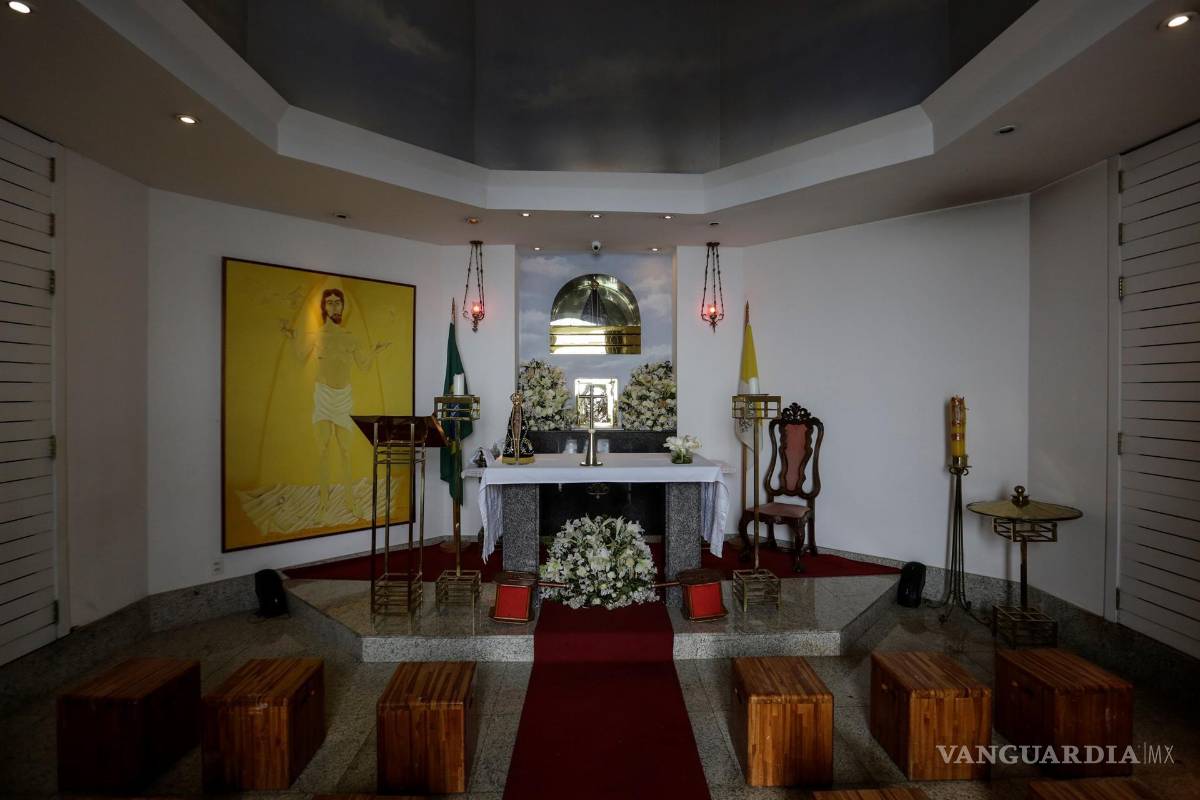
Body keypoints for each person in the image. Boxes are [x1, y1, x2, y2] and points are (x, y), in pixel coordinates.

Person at [282, 288, 389, 522]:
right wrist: (292, 338)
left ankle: (350, 502)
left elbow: (363, 366)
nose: (334, 307)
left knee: (345, 451)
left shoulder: (350, 337)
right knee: (322, 451)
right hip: (323, 396)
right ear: (324, 307)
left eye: (338, 303)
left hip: (344, 399)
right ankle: (323, 503)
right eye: (329, 303)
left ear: (342, 307)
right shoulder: (315, 335)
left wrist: (374, 351)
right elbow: (300, 359)